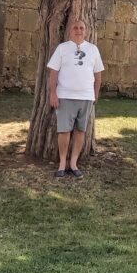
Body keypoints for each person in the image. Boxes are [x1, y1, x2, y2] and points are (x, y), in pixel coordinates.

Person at [46, 19, 104, 178]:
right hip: (65, 96)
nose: (78, 30)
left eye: (82, 28)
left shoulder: (93, 50)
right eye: (75, 28)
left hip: (86, 97)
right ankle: (62, 163)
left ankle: (74, 163)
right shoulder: (62, 48)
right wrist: (53, 93)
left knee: (80, 130)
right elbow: (53, 73)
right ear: (70, 31)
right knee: (64, 131)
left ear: (86, 31)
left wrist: (95, 94)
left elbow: (98, 75)